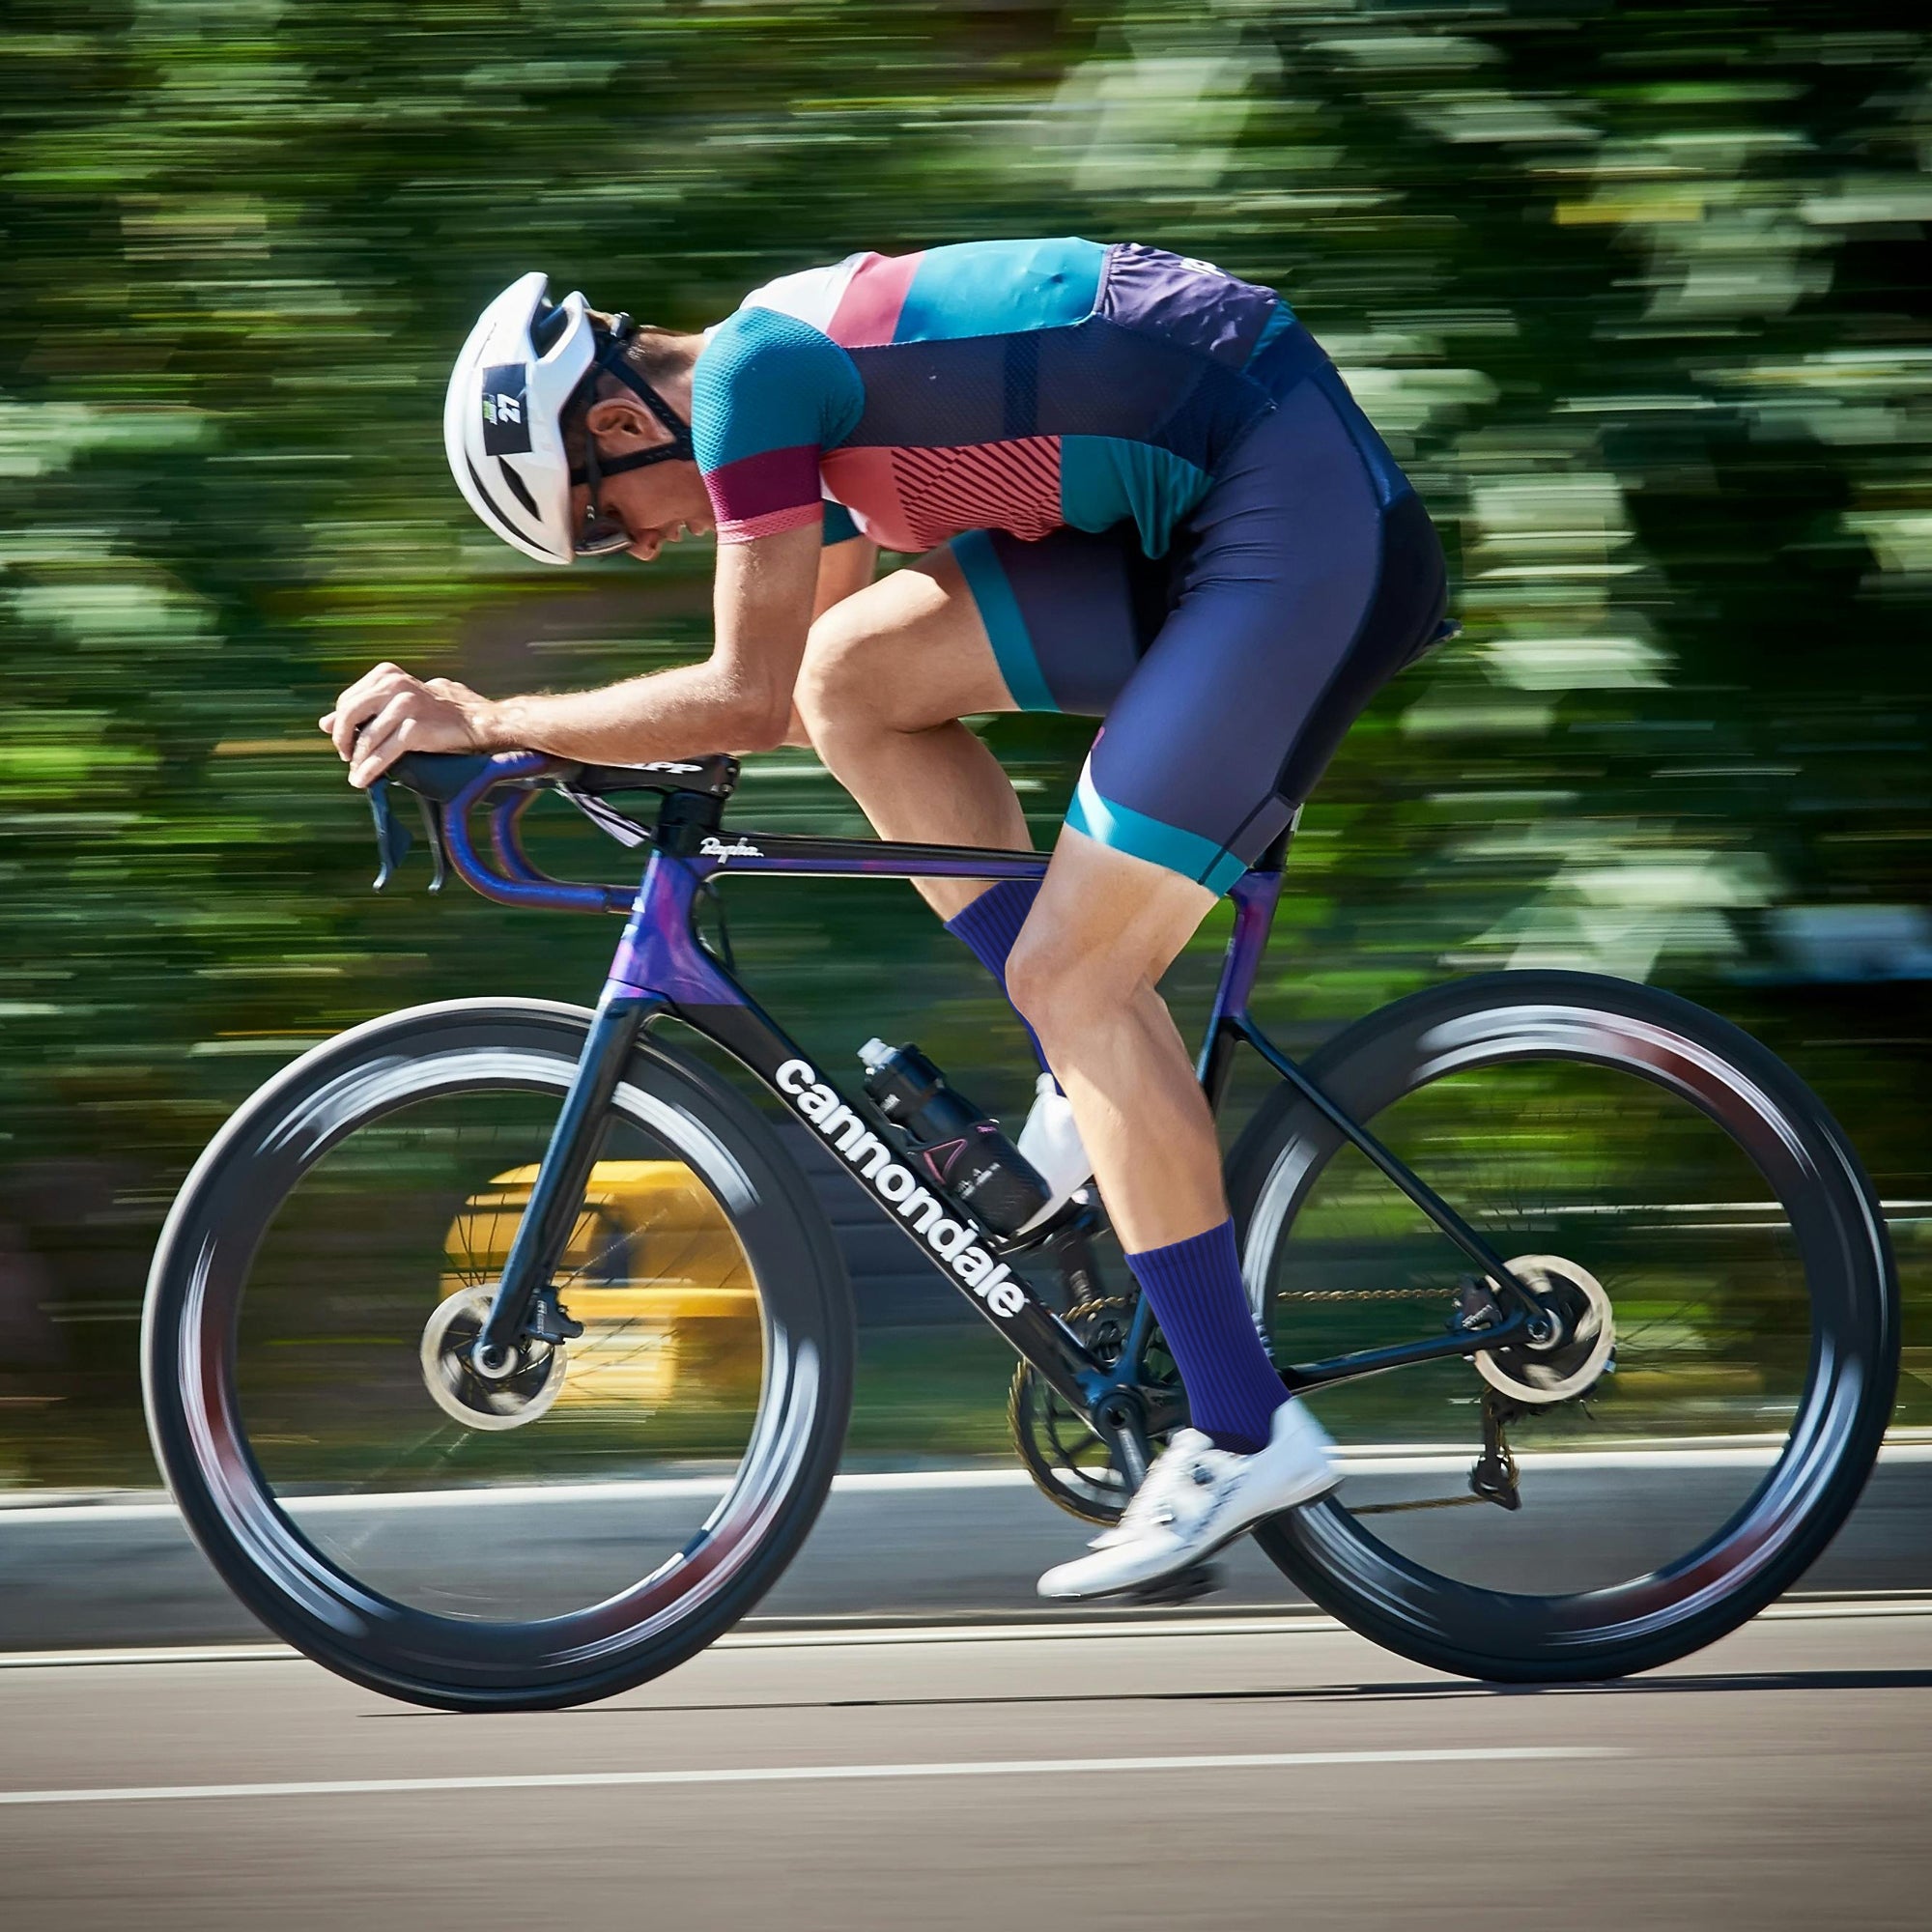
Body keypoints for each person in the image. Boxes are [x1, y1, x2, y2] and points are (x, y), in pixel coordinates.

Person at [323, 240, 1447, 1600]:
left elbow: (739, 699)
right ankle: (1079, 1074)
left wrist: (497, 718)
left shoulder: (752, 378)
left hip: (1294, 519)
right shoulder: (780, 389)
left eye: (609, 522)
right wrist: (568, 745)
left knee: (1079, 977)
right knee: (855, 681)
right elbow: (801, 690)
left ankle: (1245, 1430)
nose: (648, 545)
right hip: (1202, 511)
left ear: (617, 423)